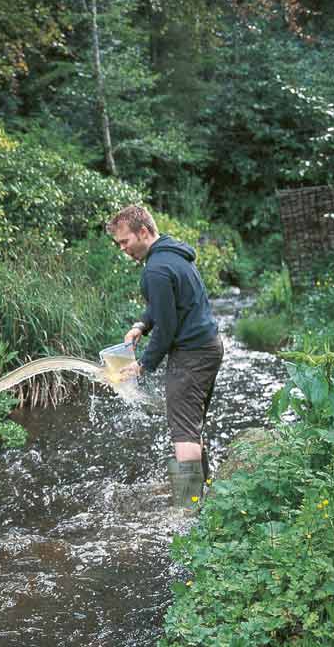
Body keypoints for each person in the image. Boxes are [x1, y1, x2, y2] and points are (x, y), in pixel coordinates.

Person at [106, 205, 224, 509]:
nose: (123, 250)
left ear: (143, 232)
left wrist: (144, 363)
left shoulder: (156, 269)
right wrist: (140, 325)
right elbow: (168, 305)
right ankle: (205, 495)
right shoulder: (173, 255)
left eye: (125, 242)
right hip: (209, 346)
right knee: (191, 424)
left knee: (183, 432)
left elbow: (168, 325)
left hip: (191, 355)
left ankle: (189, 511)